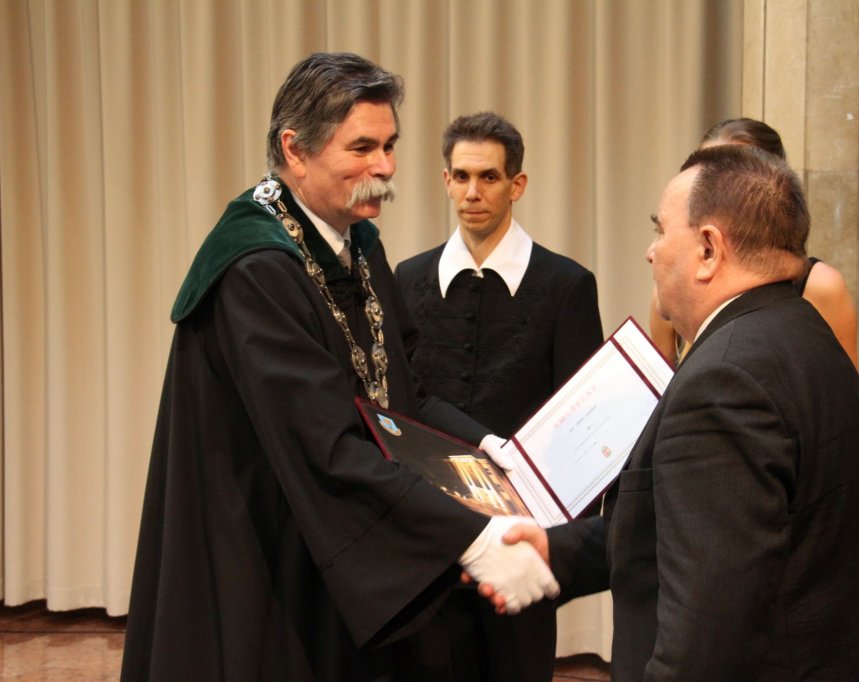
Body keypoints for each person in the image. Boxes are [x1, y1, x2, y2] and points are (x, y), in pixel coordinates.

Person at [120, 53, 558, 682]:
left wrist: (485, 447)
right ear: (295, 150)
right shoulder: (256, 270)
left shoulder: (355, 243)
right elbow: (325, 447)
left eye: (389, 145)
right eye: (362, 148)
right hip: (266, 558)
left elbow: (402, 391)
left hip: (329, 540)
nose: (385, 167)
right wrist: (472, 538)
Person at [492, 145, 859, 680]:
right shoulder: (803, 334)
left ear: (709, 249)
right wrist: (558, 548)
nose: (651, 252)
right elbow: (704, 529)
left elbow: (708, 640)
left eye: (661, 230)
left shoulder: (725, 382)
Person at [394, 112, 604, 681]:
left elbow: (581, 423)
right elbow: (401, 402)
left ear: (517, 184)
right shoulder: (407, 279)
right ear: (445, 181)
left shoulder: (566, 285)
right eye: (461, 176)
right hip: (430, 534)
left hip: (520, 533)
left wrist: (562, 545)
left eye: (488, 177)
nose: (472, 192)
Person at [649, 117, 859, 367]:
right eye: (704, 171)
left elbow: (834, 385)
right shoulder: (671, 294)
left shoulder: (822, 287)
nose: (713, 188)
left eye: (731, 174)